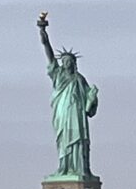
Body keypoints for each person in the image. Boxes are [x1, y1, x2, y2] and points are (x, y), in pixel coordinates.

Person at [37, 13, 99, 178]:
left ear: (74, 63)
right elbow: (48, 52)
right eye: (64, 61)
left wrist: (92, 99)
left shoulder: (80, 79)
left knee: (79, 141)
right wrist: (43, 31)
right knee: (64, 140)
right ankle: (64, 168)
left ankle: (81, 169)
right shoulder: (57, 75)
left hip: (77, 115)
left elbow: (89, 107)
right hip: (63, 113)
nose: (66, 63)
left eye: (69, 61)